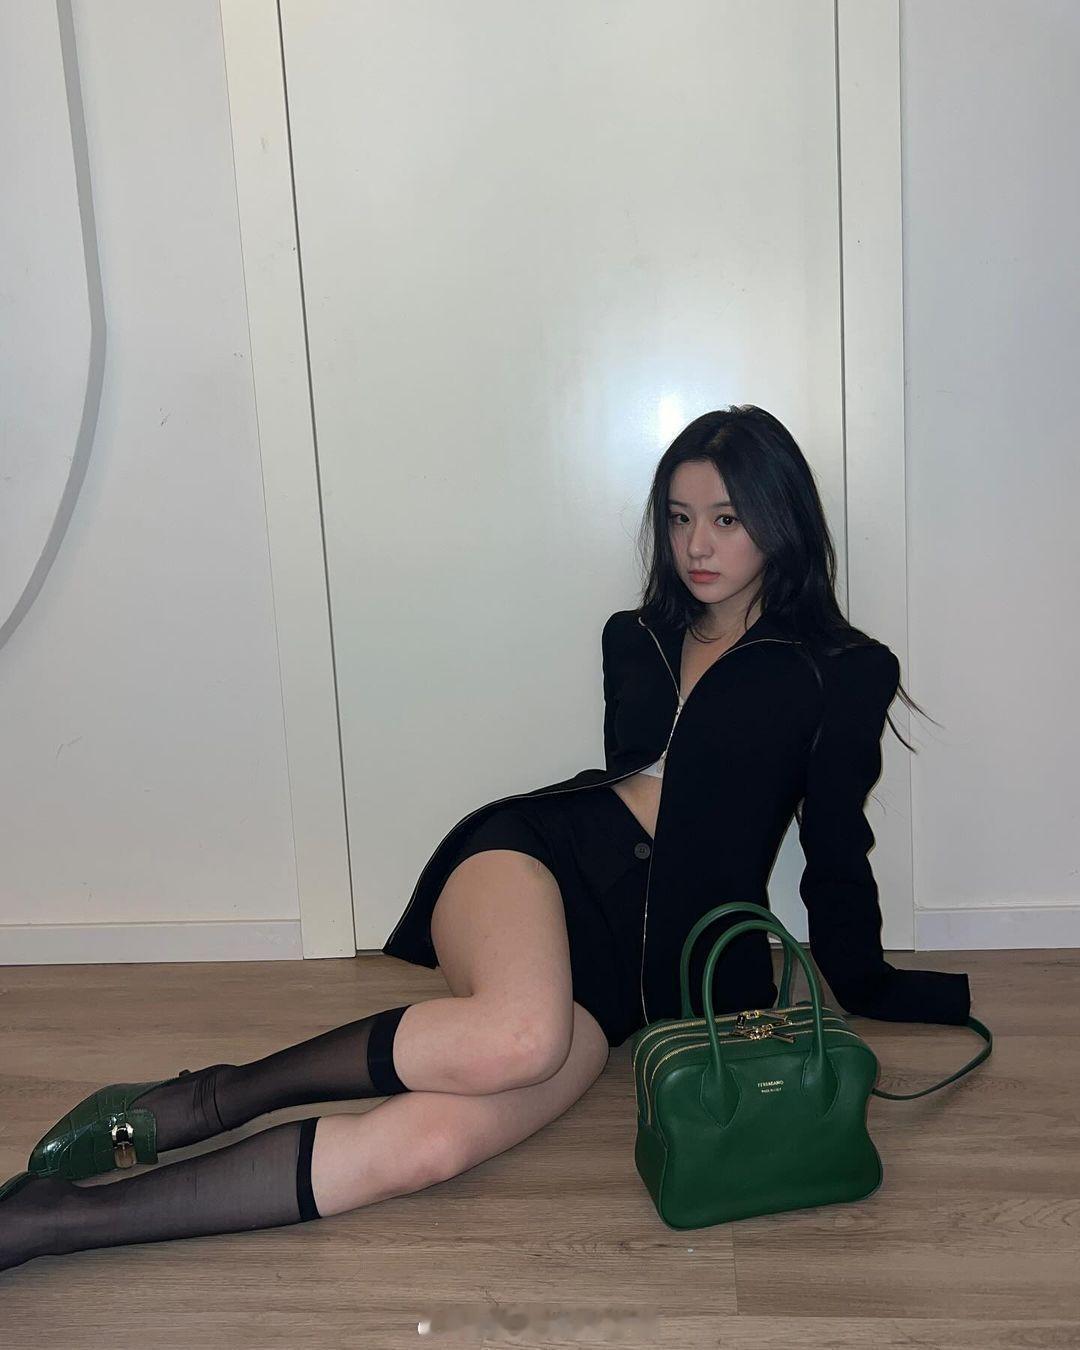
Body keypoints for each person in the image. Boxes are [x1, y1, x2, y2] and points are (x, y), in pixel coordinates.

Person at [0, 405, 972, 1272]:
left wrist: (887, 989)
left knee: (430, 1150)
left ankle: (51, 1222)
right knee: (520, 1035)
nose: (696, 546)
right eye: (679, 518)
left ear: (781, 516)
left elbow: (836, 854)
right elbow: (632, 789)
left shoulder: (840, 669)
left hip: (629, 987)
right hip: (539, 858)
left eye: (725, 518)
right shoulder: (635, 636)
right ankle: (214, 1097)